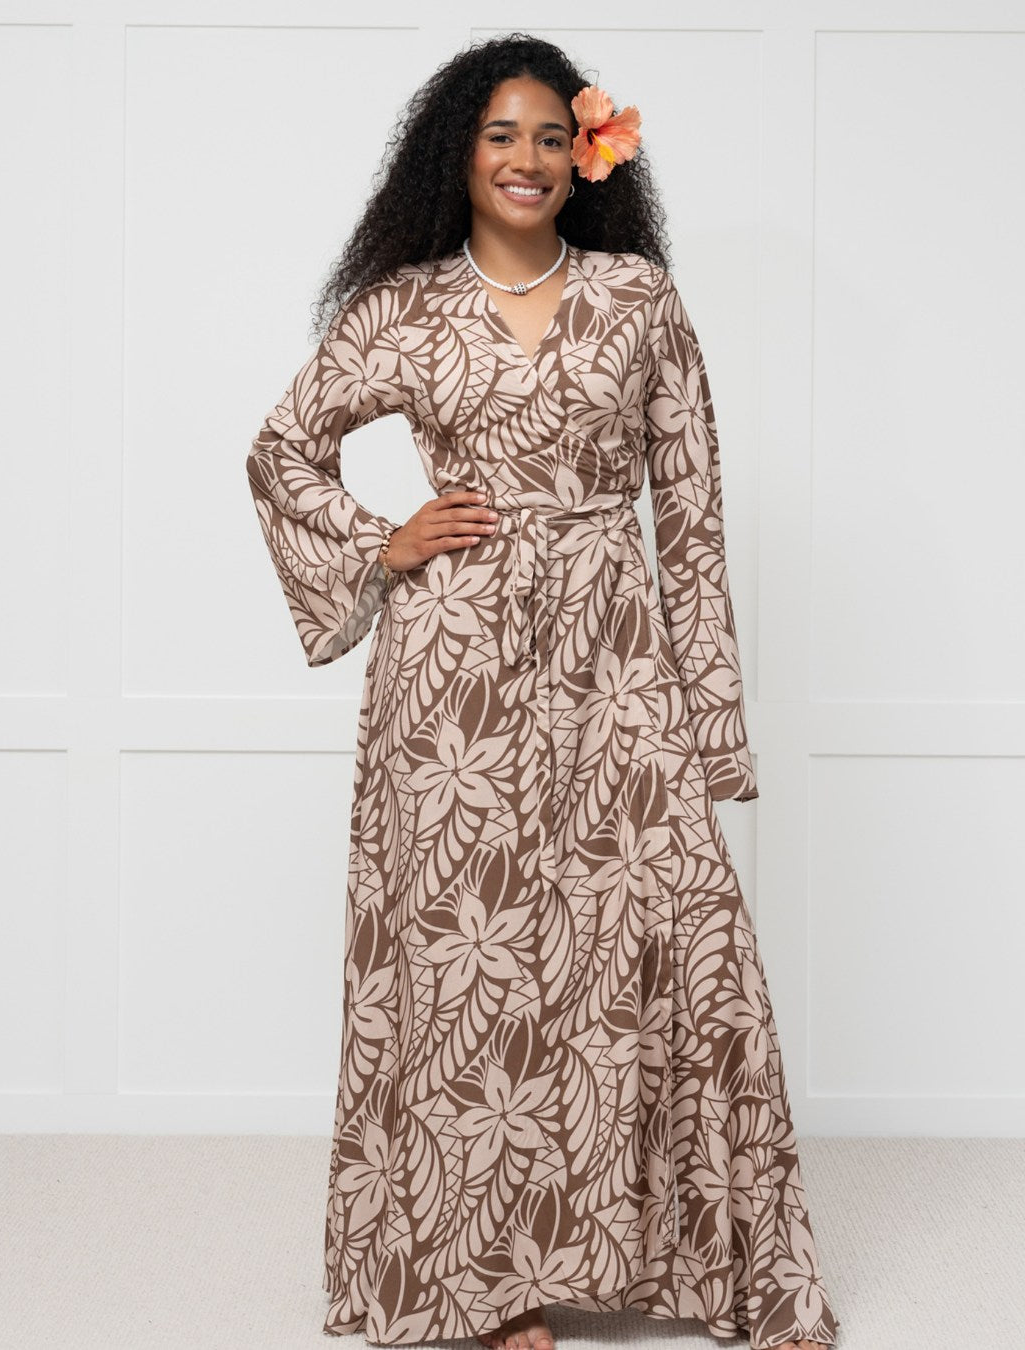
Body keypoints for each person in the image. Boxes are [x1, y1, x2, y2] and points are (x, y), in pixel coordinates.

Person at [245, 31, 840, 1350]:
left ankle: (750, 1274)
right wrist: (380, 542)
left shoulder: (638, 301)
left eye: (550, 136)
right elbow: (283, 449)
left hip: (613, 649)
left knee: (685, 930)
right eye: (499, 134)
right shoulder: (403, 308)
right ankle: (484, 1288)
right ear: (457, 152)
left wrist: (708, 721)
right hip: (452, 671)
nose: (526, 158)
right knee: (477, 964)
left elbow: (688, 518)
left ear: (591, 152)